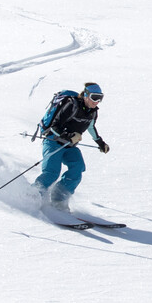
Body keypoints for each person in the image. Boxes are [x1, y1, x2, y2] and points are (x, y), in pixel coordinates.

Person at [33, 82, 110, 212]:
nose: (96, 101)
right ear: (85, 95)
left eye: (100, 98)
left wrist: (100, 143)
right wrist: (69, 136)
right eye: (94, 97)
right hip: (53, 141)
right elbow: (54, 126)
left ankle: (59, 200)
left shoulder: (92, 112)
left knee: (77, 168)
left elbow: (91, 127)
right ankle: (31, 197)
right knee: (51, 173)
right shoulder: (71, 105)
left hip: (69, 146)